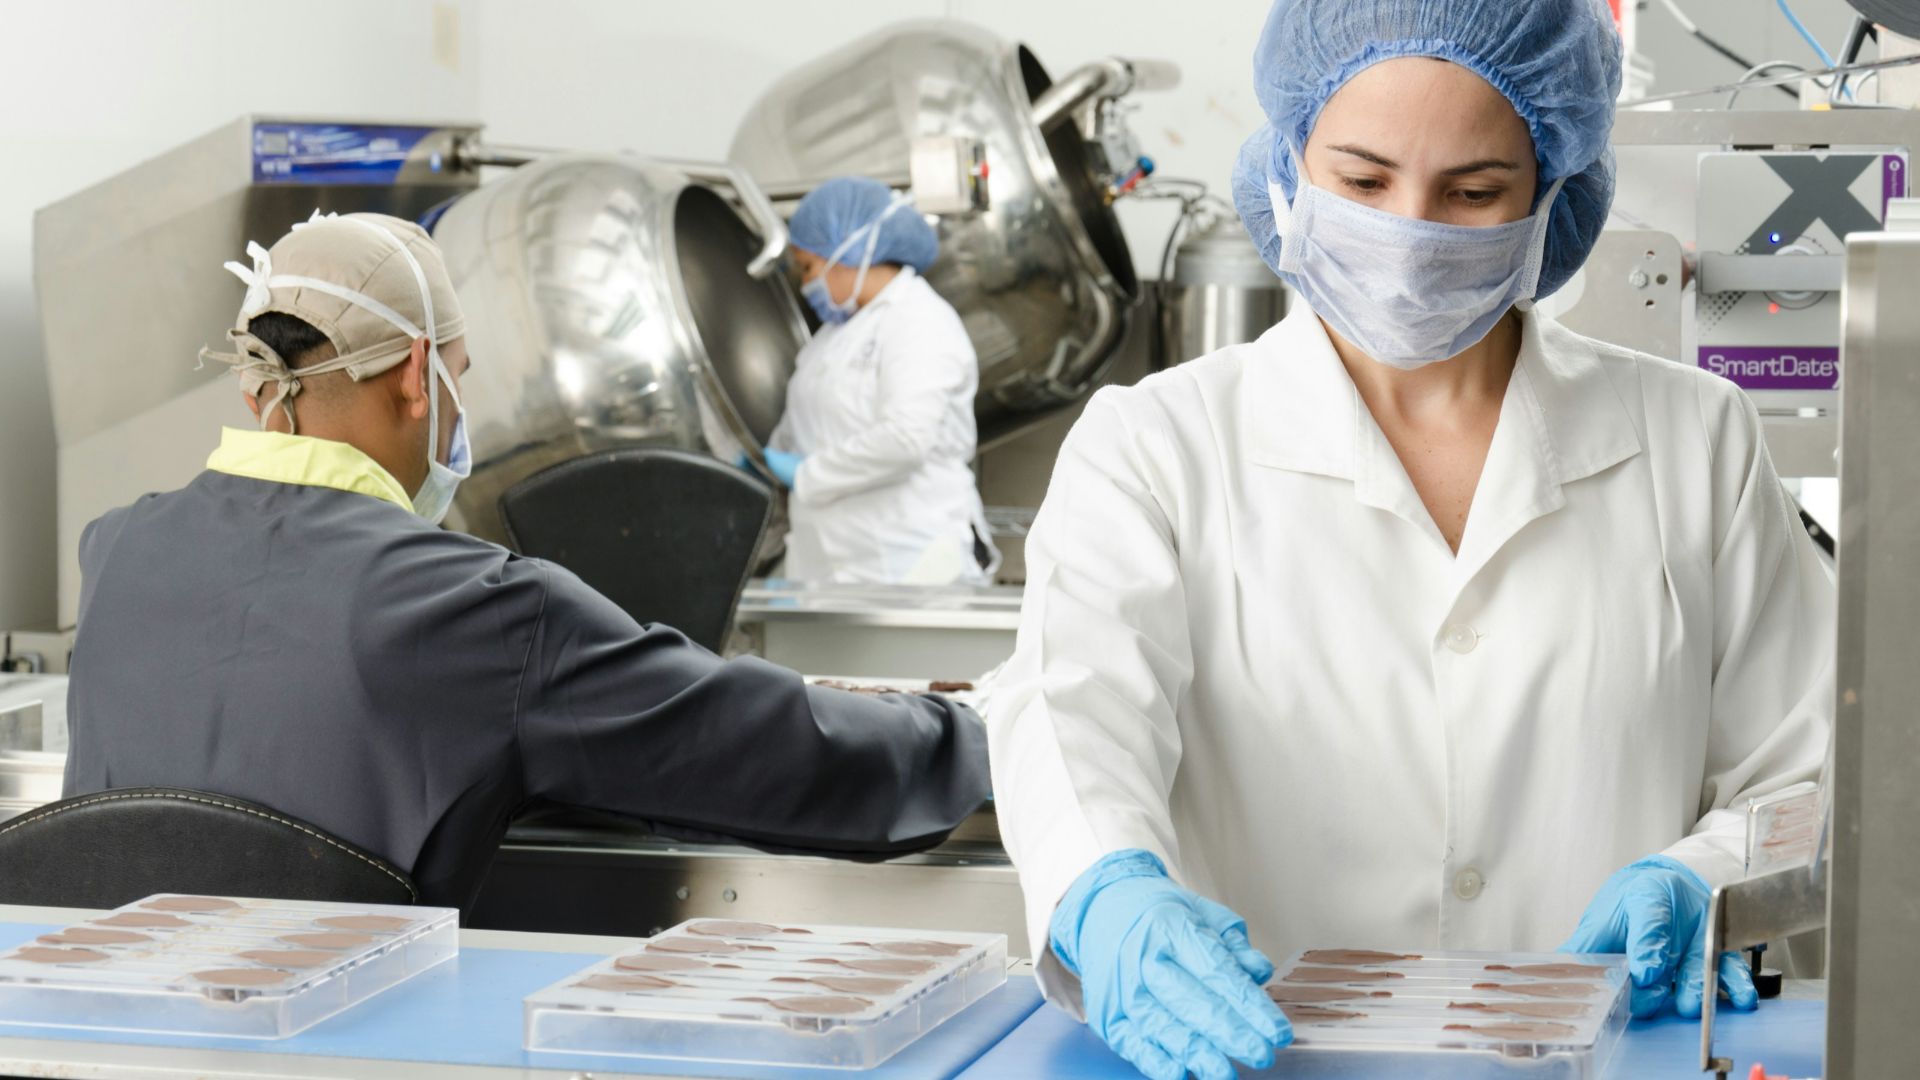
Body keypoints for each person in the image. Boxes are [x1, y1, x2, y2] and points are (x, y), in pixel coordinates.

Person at [987, 3, 1834, 1079]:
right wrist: (1106, 890)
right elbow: (1072, 719)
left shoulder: (1694, 437)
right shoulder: (1155, 446)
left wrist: (1705, 881)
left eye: (1474, 193)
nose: (1411, 234)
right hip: (1264, 1062)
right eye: (1362, 180)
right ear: (1291, 165)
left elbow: (1803, 770)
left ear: (1554, 191)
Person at [63, 212, 990, 909]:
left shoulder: (115, 552)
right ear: (418, 376)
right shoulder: (470, 608)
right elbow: (762, 749)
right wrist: (979, 733)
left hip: (110, 1036)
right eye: (459, 376)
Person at [758, 176, 1000, 586]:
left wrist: (807, 474)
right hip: (832, 568)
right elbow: (809, 422)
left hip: (912, 563)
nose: (806, 284)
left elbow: (906, 438)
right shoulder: (833, 336)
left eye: (809, 267)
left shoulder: (918, 320)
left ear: (849, 251)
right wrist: (765, 460)